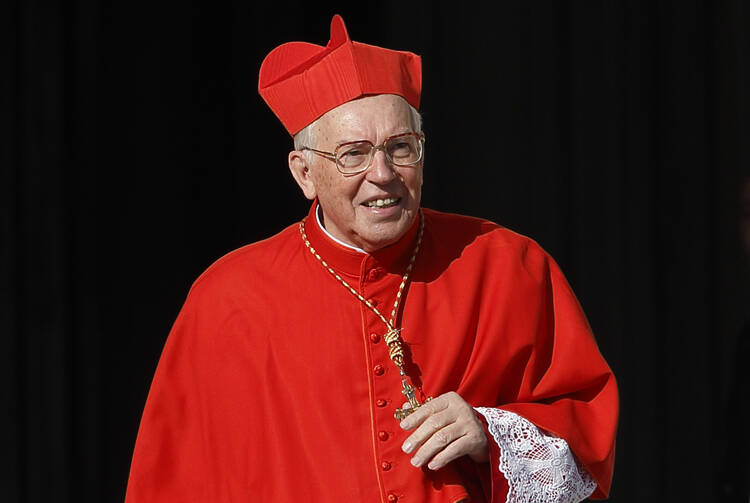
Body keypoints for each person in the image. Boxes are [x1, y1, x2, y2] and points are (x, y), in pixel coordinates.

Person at [125, 15, 618, 502]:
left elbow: (587, 444)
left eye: (401, 147)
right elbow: (171, 481)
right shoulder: (226, 300)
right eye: (353, 154)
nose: (382, 173)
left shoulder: (510, 266)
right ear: (304, 174)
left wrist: (490, 434)